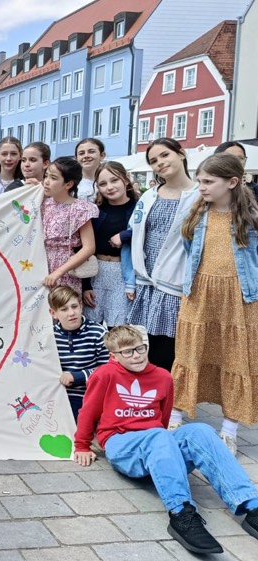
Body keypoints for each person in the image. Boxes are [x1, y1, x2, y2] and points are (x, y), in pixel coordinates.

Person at [74, 325, 258, 555]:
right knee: (158, 434)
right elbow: (88, 412)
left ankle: (251, 505)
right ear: (114, 356)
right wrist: (81, 445)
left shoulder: (162, 377)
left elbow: (163, 416)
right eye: (127, 352)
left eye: (140, 348)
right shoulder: (104, 375)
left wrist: (164, 451)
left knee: (200, 430)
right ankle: (181, 512)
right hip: (122, 443)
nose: (137, 355)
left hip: (157, 443)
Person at [169, 153, 258, 454]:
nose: (202, 187)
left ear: (232, 182)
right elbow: (189, 249)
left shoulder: (251, 218)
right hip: (200, 294)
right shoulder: (195, 214)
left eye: (208, 181)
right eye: (200, 181)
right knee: (189, 353)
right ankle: (175, 418)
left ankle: (229, 430)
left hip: (239, 297)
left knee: (236, 359)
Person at [126, 138, 198, 375]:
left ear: (181, 154)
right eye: (153, 161)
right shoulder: (149, 196)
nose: (160, 163)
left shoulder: (199, 195)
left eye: (165, 155)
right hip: (147, 280)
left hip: (176, 280)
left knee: (172, 347)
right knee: (147, 346)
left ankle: (170, 394)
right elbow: (136, 233)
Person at [82, 162, 138, 328]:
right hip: (96, 272)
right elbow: (84, 247)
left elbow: (147, 232)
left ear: (125, 180)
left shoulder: (139, 207)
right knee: (92, 326)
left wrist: (124, 235)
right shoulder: (96, 211)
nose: (110, 187)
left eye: (114, 180)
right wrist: (85, 285)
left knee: (118, 328)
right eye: (103, 184)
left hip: (123, 274)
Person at [49, 287, 108, 420]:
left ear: (81, 306)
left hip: (90, 393)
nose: (71, 313)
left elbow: (109, 369)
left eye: (74, 306)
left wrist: (79, 376)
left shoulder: (98, 332)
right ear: (53, 313)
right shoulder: (49, 336)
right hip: (59, 394)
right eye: (64, 309)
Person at [41, 157, 99, 293]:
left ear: (68, 184)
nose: (46, 181)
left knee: (65, 304)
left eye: (53, 178)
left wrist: (59, 272)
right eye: (46, 176)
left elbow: (89, 247)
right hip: (40, 264)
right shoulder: (42, 204)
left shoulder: (80, 208)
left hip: (67, 269)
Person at [75, 138, 106, 203]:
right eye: (81, 153)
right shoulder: (71, 183)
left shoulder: (112, 180)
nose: (86, 156)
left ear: (102, 155)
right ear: (76, 158)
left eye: (91, 152)